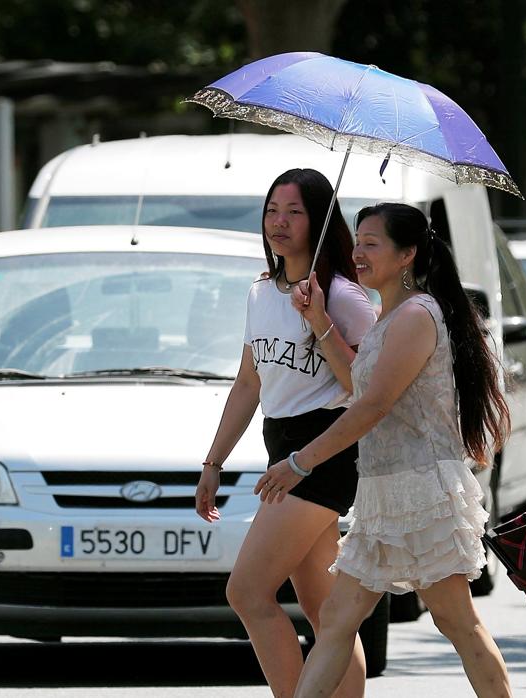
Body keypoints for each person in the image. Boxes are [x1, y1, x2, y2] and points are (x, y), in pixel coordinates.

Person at [255, 202, 513, 698]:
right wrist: (318, 320)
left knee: (456, 621)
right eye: (358, 241)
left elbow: (372, 406)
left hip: (421, 492)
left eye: (372, 243)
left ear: (407, 255)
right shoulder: (388, 315)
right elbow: (358, 383)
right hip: (381, 492)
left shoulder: (418, 315)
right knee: (335, 620)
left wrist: (299, 462)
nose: (358, 253)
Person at [195, 168, 376, 697]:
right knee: (328, 613)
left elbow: (366, 389)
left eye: (294, 212)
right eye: (273, 209)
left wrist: (320, 319)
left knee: (248, 592)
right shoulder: (260, 292)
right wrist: (213, 463)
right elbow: (250, 381)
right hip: (281, 448)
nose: (279, 221)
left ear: (319, 220)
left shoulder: (343, 296)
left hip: (324, 453)